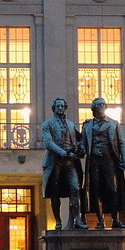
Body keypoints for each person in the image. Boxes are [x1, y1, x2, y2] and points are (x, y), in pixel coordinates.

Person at [79, 97, 125, 230]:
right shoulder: (87, 125)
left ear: (105, 107)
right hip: (93, 160)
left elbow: (121, 143)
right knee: (96, 190)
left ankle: (115, 219)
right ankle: (100, 221)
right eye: (97, 105)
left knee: (112, 189)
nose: (100, 107)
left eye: (102, 105)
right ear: (92, 109)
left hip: (109, 160)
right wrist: (79, 149)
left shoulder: (113, 123)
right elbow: (83, 143)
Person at [41, 97, 86, 229]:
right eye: (57, 106)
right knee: (54, 192)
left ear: (65, 107)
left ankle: (76, 219)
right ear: (53, 108)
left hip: (70, 162)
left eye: (62, 106)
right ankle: (58, 221)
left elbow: (80, 139)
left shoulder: (71, 125)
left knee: (75, 188)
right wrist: (63, 152)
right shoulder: (47, 124)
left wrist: (81, 147)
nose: (60, 108)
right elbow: (48, 142)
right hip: (54, 162)